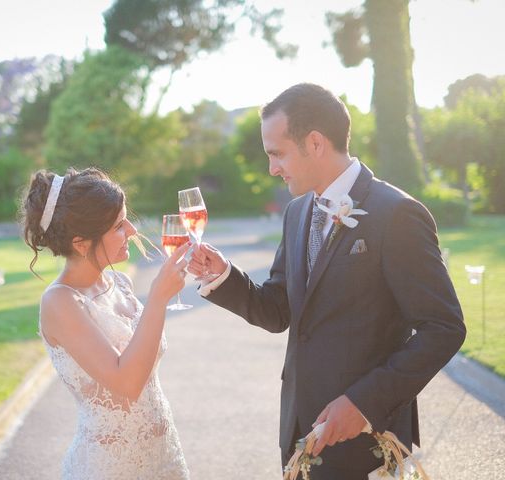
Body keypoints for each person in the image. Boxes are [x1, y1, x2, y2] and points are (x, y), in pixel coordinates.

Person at [188, 83, 466, 479]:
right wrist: (222, 276)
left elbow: (443, 328)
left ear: (315, 143)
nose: (272, 168)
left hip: (367, 441)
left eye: (277, 153)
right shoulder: (297, 211)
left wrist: (362, 403)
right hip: (300, 430)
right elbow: (279, 310)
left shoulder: (398, 214)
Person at [21, 167, 190, 479]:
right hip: (110, 466)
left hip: (164, 454)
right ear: (82, 243)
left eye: (126, 219)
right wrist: (157, 298)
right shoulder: (60, 302)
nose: (132, 231)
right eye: (117, 227)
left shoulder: (119, 282)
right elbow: (127, 384)